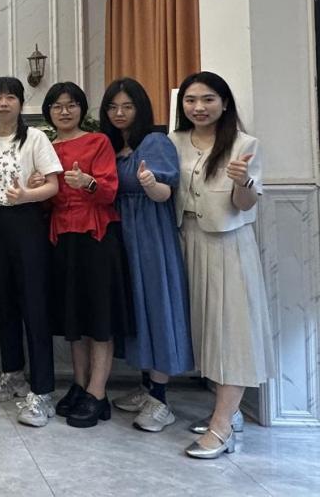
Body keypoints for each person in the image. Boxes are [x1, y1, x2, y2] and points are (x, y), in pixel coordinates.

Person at [171, 71, 273, 459]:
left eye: (208, 99)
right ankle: (230, 412)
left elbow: (245, 204)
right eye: (191, 100)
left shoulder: (244, 144)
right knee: (205, 330)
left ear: (224, 103)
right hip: (187, 240)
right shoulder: (175, 141)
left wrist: (243, 182)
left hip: (227, 244)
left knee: (231, 332)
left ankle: (221, 426)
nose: (199, 107)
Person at [99, 78, 194, 433]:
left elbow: (165, 192)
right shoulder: (111, 145)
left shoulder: (154, 142)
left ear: (141, 109)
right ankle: (146, 386)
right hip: (120, 235)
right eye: (113, 107)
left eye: (127, 106)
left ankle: (161, 399)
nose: (119, 113)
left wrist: (151, 184)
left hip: (150, 236)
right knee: (136, 308)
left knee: (156, 306)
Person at [39, 82, 133, 428]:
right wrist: (37, 187)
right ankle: (79, 385)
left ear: (82, 108)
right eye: (57, 106)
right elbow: (48, 201)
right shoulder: (46, 147)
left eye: (71, 105)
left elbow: (109, 191)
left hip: (96, 237)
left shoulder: (98, 141)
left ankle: (97, 392)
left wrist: (88, 183)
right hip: (62, 238)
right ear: (49, 112)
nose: (64, 111)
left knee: (99, 317)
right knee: (74, 319)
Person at [0, 76, 62, 428]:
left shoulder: (36, 138)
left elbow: (53, 185)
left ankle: (42, 392)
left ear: (20, 103)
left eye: (10, 97)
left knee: (34, 307)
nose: (3, 103)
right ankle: (13, 373)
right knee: (4, 304)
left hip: (25, 223)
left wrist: (26, 195)